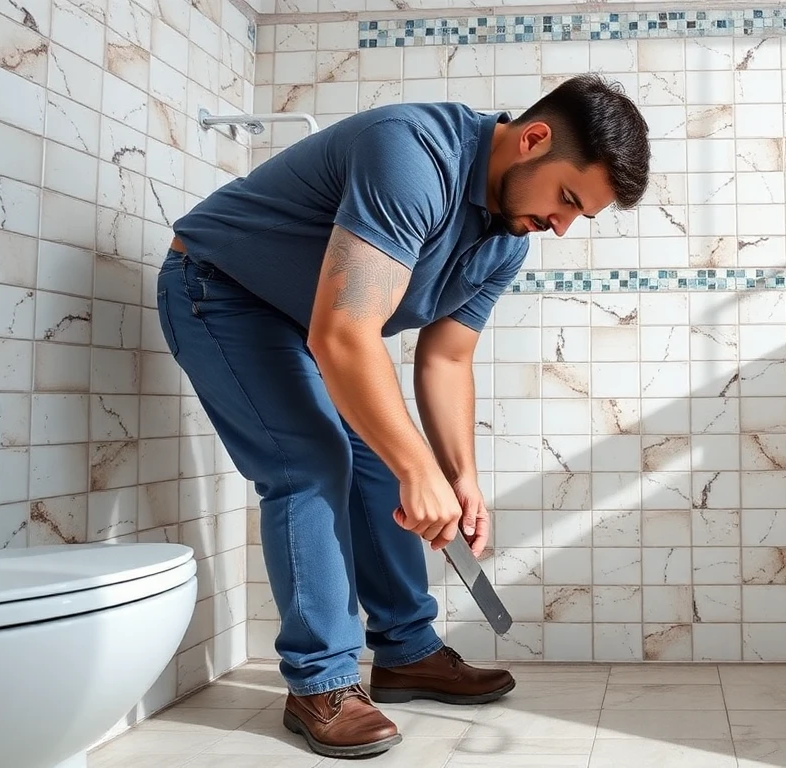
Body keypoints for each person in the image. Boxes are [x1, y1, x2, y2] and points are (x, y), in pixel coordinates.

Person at [155, 74, 651, 758]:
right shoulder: (412, 155)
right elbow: (345, 335)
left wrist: (459, 475)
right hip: (221, 291)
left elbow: (446, 361)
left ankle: (407, 651)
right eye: (566, 199)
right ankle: (320, 683)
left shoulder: (505, 239)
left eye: (578, 216)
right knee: (310, 464)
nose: (560, 226)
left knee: (388, 463)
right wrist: (420, 469)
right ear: (534, 139)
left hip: (309, 325)